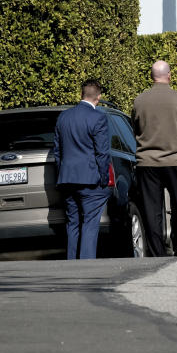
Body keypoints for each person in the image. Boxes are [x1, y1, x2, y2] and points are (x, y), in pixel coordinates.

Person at [132, 60, 177, 257]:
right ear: (169, 75)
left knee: (152, 212)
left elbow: (136, 127)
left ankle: (157, 255)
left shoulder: (140, 100)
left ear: (151, 76)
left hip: (148, 162)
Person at [51, 79, 112, 260]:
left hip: (67, 179)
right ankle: (86, 264)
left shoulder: (64, 117)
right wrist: (103, 179)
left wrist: (61, 173)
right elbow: (102, 153)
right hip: (90, 180)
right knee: (90, 224)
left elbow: (57, 151)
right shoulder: (99, 118)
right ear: (98, 97)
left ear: (81, 94)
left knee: (73, 223)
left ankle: (72, 263)